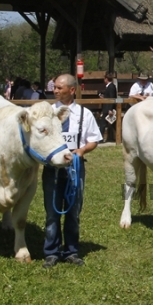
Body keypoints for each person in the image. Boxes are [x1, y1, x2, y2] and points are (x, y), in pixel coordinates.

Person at [42, 74, 102, 268]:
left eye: (60, 88)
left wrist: (82, 150)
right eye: (55, 87)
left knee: (73, 211)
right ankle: (51, 252)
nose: (55, 90)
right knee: (52, 212)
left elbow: (94, 139)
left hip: (75, 168)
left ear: (72, 90)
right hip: (52, 169)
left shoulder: (84, 114)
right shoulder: (47, 113)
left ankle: (71, 251)